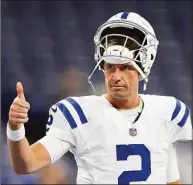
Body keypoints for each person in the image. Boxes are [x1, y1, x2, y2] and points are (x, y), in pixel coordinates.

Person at [7, 12, 192, 184]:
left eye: (125, 67)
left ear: (142, 69)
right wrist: (15, 128)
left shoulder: (166, 112)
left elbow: (172, 180)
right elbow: (26, 164)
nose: (116, 75)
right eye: (110, 66)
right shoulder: (78, 113)